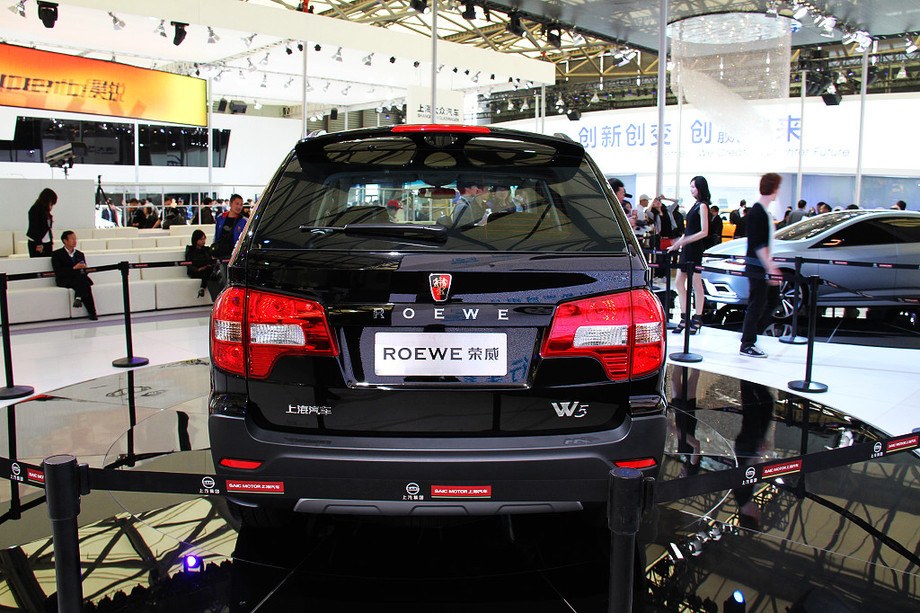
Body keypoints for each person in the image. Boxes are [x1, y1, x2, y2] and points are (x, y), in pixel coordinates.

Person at [740, 173, 783, 358]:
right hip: (757, 266)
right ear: (774, 188)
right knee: (757, 304)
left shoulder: (762, 212)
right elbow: (759, 245)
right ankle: (747, 343)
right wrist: (770, 267)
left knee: (771, 301)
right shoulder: (757, 212)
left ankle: (752, 336)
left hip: (760, 266)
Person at [667, 176, 711, 334]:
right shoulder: (695, 205)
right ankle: (685, 318)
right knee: (679, 282)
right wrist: (677, 244)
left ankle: (698, 318)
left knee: (696, 285)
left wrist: (685, 241)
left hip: (695, 249)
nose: (691, 189)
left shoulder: (703, 206)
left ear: (700, 188)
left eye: (693, 187)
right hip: (686, 248)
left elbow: (704, 232)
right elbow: (688, 231)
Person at [52, 231, 97, 320]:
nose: (75, 241)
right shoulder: (57, 254)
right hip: (65, 280)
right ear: (65, 240)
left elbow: (85, 271)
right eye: (72, 239)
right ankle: (92, 312)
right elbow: (59, 271)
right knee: (85, 284)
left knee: (82, 281)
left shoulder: (79, 254)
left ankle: (79, 298)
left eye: (75, 239)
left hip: (78, 279)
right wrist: (74, 268)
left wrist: (83, 268)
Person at [213, 194, 248, 281]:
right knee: (225, 279)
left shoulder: (244, 221)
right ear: (231, 203)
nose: (239, 206)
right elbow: (217, 235)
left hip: (235, 256)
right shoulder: (221, 218)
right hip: (223, 254)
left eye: (241, 204)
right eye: (237, 203)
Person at [185, 229, 221, 300]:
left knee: (211, 273)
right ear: (196, 240)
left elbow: (211, 261)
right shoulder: (190, 249)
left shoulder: (206, 249)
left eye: (204, 239)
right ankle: (215, 297)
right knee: (209, 274)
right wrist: (198, 269)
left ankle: (203, 289)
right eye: (201, 239)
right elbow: (188, 263)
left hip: (207, 270)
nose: (203, 241)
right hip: (195, 271)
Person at [27, 188, 57, 257]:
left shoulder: (46, 211)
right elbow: (34, 228)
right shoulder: (35, 209)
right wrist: (38, 243)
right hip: (37, 242)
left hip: (47, 242)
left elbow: (48, 228)